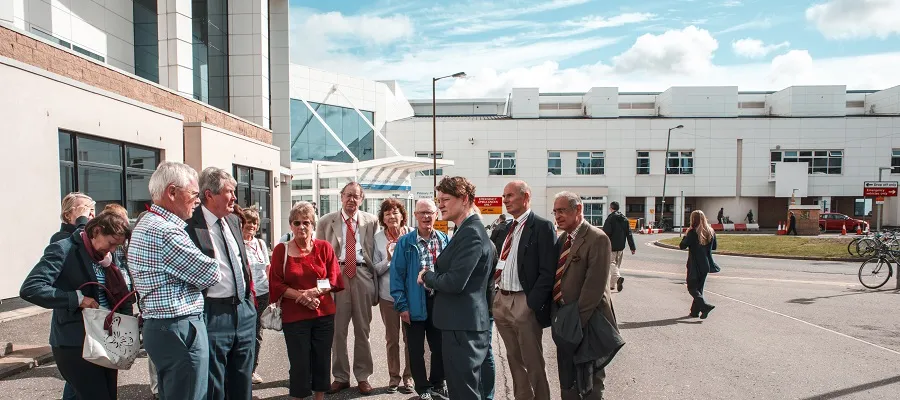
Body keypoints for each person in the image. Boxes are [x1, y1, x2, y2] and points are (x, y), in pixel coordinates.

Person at [128, 161, 221, 400]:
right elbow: (211, 273)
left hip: (162, 326)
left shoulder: (145, 222)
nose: (198, 201)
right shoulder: (166, 231)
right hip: (178, 326)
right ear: (171, 192)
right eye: (193, 194)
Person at [21, 210, 134, 400]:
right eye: (111, 243)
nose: (113, 250)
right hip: (75, 343)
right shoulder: (63, 249)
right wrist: (77, 299)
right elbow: (31, 288)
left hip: (106, 338)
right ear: (96, 231)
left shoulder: (106, 257)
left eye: (118, 246)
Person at [184, 167, 257, 400]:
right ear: (209, 195)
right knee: (215, 383)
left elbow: (242, 263)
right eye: (229, 192)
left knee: (243, 379)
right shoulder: (188, 226)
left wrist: (250, 305)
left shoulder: (234, 221)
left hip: (244, 311)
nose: (235, 198)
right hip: (213, 312)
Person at [418, 176, 493, 400]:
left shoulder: (471, 232)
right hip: (460, 323)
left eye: (446, 199)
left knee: (465, 392)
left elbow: (455, 282)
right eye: (438, 199)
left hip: (463, 325)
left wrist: (427, 276)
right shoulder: (464, 230)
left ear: (464, 199)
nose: (440, 204)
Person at [270, 201, 344, 400]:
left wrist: (313, 292)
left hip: (323, 314)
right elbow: (276, 284)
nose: (301, 227)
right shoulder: (281, 250)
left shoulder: (324, 247)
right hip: (294, 317)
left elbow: (334, 278)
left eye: (306, 222)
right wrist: (302, 296)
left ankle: (319, 397)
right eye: (296, 223)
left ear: (313, 225)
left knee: (321, 360)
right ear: (290, 225)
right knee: (299, 363)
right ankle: (299, 397)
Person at [551, 191, 617, 400]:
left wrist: (575, 323)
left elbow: (594, 288)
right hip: (565, 320)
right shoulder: (562, 239)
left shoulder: (597, 238)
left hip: (588, 321)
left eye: (562, 211)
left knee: (590, 381)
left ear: (578, 209)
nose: (558, 216)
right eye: (555, 212)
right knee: (567, 379)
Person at [316, 182, 379, 395]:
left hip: (362, 274)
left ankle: (363, 376)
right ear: (341, 197)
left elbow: (377, 250)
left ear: (362, 199)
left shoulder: (371, 221)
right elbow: (318, 257)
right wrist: (322, 286)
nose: (351, 200)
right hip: (337, 276)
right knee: (337, 331)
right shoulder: (326, 221)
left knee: (363, 330)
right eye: (348, 195)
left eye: (356, 196)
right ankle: (340, 376)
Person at [494, 181, 554, 400]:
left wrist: (531, 304)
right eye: (504, 195)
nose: (505, 200)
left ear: (526, 196)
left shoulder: (542, 227)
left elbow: (548, 272)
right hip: (502, 300)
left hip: (523, 301)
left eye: (510, 195)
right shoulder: (507, 227)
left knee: (533, 361)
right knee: (514, 359)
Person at [391, 199, 450, 400]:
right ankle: (423, 388)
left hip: (439, 302)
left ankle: (438, 383)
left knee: (440, 345)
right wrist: (402, 305)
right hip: (414, 301)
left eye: (430, 213)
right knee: (415, 349)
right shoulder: (405, 242)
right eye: (422, 213)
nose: (426, 216)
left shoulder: (444, 239)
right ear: (415, 215)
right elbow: (397, 276)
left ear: (436, 215)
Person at [373, 198, 413, 394]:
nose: (391, 216)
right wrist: (388, 260)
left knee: (410, 338)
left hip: (410, 295)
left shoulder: (412, 233)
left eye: (395, 212)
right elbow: (375, 269)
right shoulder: (378, 239)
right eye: (387, 213)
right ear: (383, 218)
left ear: (402, 215)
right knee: (392, 339)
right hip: (387, 296)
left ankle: (409, 377)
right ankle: (393, 377)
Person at [237, 205, 271, 385]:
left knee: (257, 333)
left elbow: (267, 267)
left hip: (262, 293)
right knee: (243, 333)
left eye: (255, 223)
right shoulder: (236, 243)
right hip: (245, 294)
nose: (252, 225)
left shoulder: (260, 243)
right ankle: (240, 370)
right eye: (248, 222)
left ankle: (252, 370)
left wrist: (272, 291)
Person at [679, 210, 718, 319]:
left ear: (693, 219)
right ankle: (694, 312)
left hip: (694, 264)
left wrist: (685, 236)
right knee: (699, 289)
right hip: (706, 264)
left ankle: (704, 306)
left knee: (691, 288)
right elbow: (714, 247)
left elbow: (682, 245)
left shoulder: (692, 232)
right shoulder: (711, 231)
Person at [602, 201, 636, 293]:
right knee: (616, 265)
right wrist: (632, 247)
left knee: (611, 264)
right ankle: (612, 285)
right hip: (621, 247)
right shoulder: (624, 219)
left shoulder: (610, 218)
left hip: (612, 246)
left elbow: (606, 233)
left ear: (611, 208)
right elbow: (629, 234)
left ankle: (618, 278)